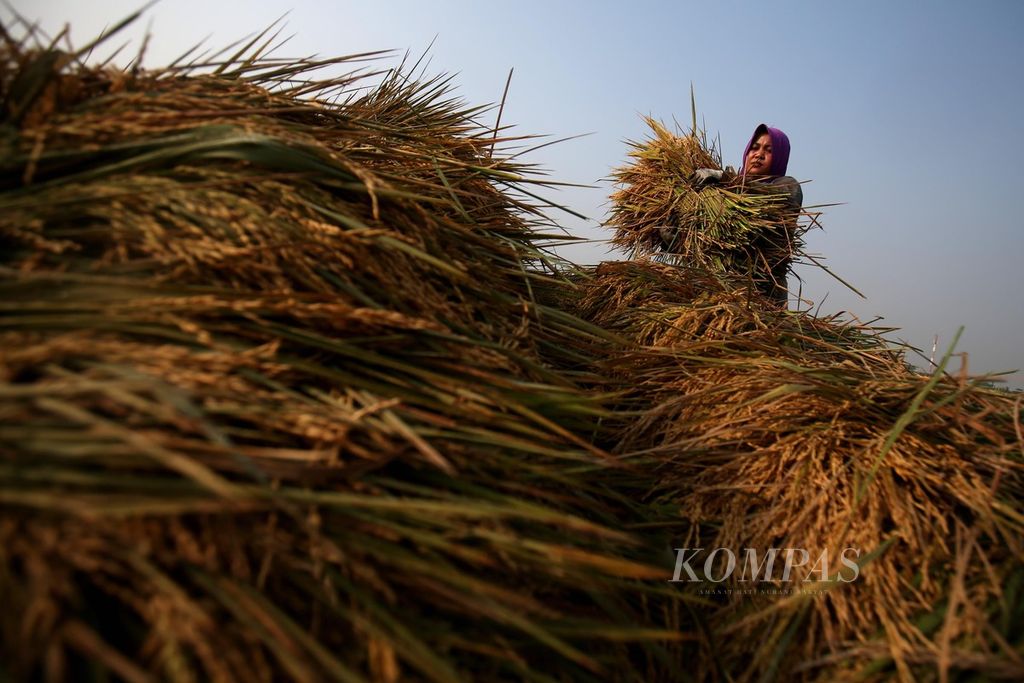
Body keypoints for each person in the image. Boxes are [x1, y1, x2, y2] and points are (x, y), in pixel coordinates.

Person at [689, 124, 803, 306]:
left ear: (780, 156)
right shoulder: (721, 196)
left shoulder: (788, 186)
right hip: (717, 290)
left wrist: (725, 178)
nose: (759, 154)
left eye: (769, 150)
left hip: (764, 296)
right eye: (755, 148)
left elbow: (771, 197)